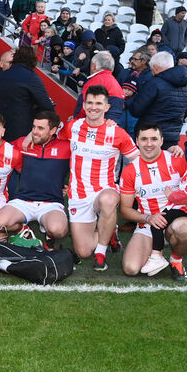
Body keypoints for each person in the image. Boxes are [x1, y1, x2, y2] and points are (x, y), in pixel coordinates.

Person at [118, 123, 187, 281]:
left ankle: (176, 261)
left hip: (177, 219)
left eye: (154, 139)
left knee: (183, 228)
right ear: (137, 141)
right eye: (144, 139)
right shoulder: (130, 171)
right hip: (149, 224)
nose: (149, 144)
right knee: (131, 268)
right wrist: (148, 218)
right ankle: (156, 254)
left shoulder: (178, 159)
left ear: (161, 141)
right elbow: (125, 209)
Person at [62, 86, 138, 268]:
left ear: (107, 107)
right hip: (78, 194)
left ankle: (101, 253)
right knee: (83, 251)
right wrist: (30, 137)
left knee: (109, 200)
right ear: (84, 104)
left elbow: (139, 161)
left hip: (104, 191)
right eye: (89, 102)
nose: (93, 107)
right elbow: (53, 138)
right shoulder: (73, 127)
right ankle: (110, 231)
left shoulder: (117, 133)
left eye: (98, 103)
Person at [0, 109, 70, 243]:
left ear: (53, 130)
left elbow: (73, 126)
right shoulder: (23, 143)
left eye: (40, 128)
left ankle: (49, 235)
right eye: (33, 127)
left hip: (51, 203)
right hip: (24, 200)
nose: (35, 131)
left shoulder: (66, 147)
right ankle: (22, 229)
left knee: (58, 230)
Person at [128, 51, 187, 144]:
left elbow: (136, 110)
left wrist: (129, 100)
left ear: (155, 68)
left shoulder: (154, 84)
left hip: (149, 136)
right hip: (172, 138)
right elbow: (185, 114)